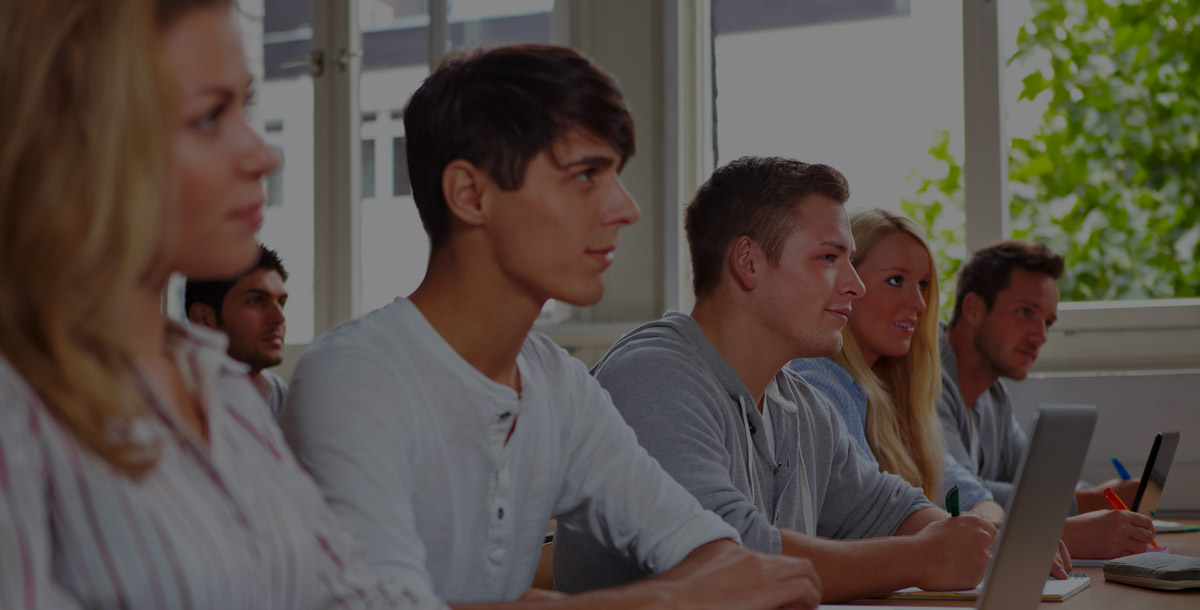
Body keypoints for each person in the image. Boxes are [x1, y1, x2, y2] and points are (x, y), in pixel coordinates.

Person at [280, 45, 822, 609]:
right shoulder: (353, 379)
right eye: (586, 174)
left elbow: (706, 546)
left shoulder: (555, 382)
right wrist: (663, 600)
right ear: (470, 194)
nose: (625, 207)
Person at [0, 0, 443, 607]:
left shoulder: (222, 389)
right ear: (74, 146)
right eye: (210, 117)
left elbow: (354, 596)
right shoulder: (18, 401)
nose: (264, 156)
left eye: (247, 106)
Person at [553, 157, 1025, 604]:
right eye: (827, 258)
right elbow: (730, 557)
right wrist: (926, 557)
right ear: (749, 262)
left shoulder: (799, 403)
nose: (854, 286)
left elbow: (888, 509)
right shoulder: (654, 375)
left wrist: (976, 543)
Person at [939, 239, 1155, 559]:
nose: (1040, 335)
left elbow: (1035, 475)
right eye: (1026, 312)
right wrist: (1085, 501)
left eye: (1048, 322)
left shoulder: (995, 395)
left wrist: (1097, 494)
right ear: (973, 309)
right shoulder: (922, 380)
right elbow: (958, 492)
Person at [789, 209, 1005, 521]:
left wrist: (985, 533)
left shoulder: (897, 395)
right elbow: (875, 520)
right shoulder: (818, 384)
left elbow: (979, 500)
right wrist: (981, 537)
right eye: (895, 280)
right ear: (847, 285)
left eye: (922, 285)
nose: (918, 304)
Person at [186, 244, 290, 418]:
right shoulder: (181, 399)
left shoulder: (278, 392)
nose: (279, 318)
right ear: (203, 318)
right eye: (256, 301)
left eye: (281, 302)